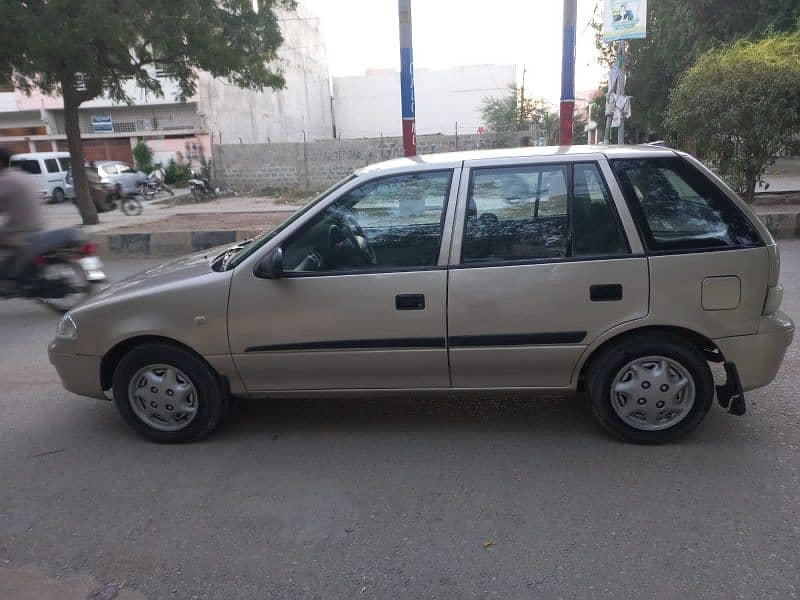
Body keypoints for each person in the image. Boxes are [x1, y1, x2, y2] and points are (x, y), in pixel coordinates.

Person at [0, 147, 46, 281]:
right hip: (38, 226)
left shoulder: (5, 180)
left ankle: (8, 281)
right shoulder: (20, 175)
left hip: (21, 231)